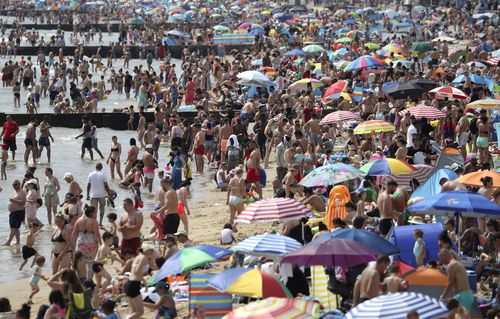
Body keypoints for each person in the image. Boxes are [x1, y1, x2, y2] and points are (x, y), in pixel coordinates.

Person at [125, 241, 156, 319]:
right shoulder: (143, 257)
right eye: (151, 249)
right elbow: (137, 270)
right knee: (140, 312)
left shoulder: (138, 256)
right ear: (146, 250)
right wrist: (143, 281)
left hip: (129, 284)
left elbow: (135, 271)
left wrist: (143, 280)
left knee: (134, 312)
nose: (152, 251)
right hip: (134, 285)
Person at [439, 249, 474, 313]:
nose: (441, 261)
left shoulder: (451, 265)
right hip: (466, 295)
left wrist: (442, 297)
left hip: (463, 296)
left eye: (441, 258)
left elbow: (450, 283)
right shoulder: (458, 264)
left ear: (445, 256)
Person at [72, 205, 101, 278]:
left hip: (81, 242)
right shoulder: (94, 221)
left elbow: (74, 234)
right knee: (91, 262)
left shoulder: (78, 220)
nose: (96, 214)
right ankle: (89, 280)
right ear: (91, 213)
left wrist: (73, 245)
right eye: (95, 212)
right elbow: (97, 234)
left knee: (80, 261)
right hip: (91, 243)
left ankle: (80, 278)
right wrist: (101, 244)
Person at [3, 179, 26, 246]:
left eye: (15, 184)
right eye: (13, 185)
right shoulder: (15, 191)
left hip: (18, 212)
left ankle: (8, 242)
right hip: (13, 213)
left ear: (19, 184)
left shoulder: (22, 192)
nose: (14, 186)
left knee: (13, 227)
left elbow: (23, 203)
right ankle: (18, 242)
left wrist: (13, 200)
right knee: (15, 228)